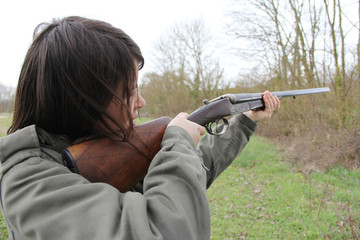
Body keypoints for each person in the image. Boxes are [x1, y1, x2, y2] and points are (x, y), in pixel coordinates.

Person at [0, 16, 280, 240]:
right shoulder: (29, 183)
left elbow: (182, 183)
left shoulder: (101, 154)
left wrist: (245, 121)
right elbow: (170, 228)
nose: (141, 102)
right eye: (130, 91)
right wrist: (179, 141)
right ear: (86, 98)